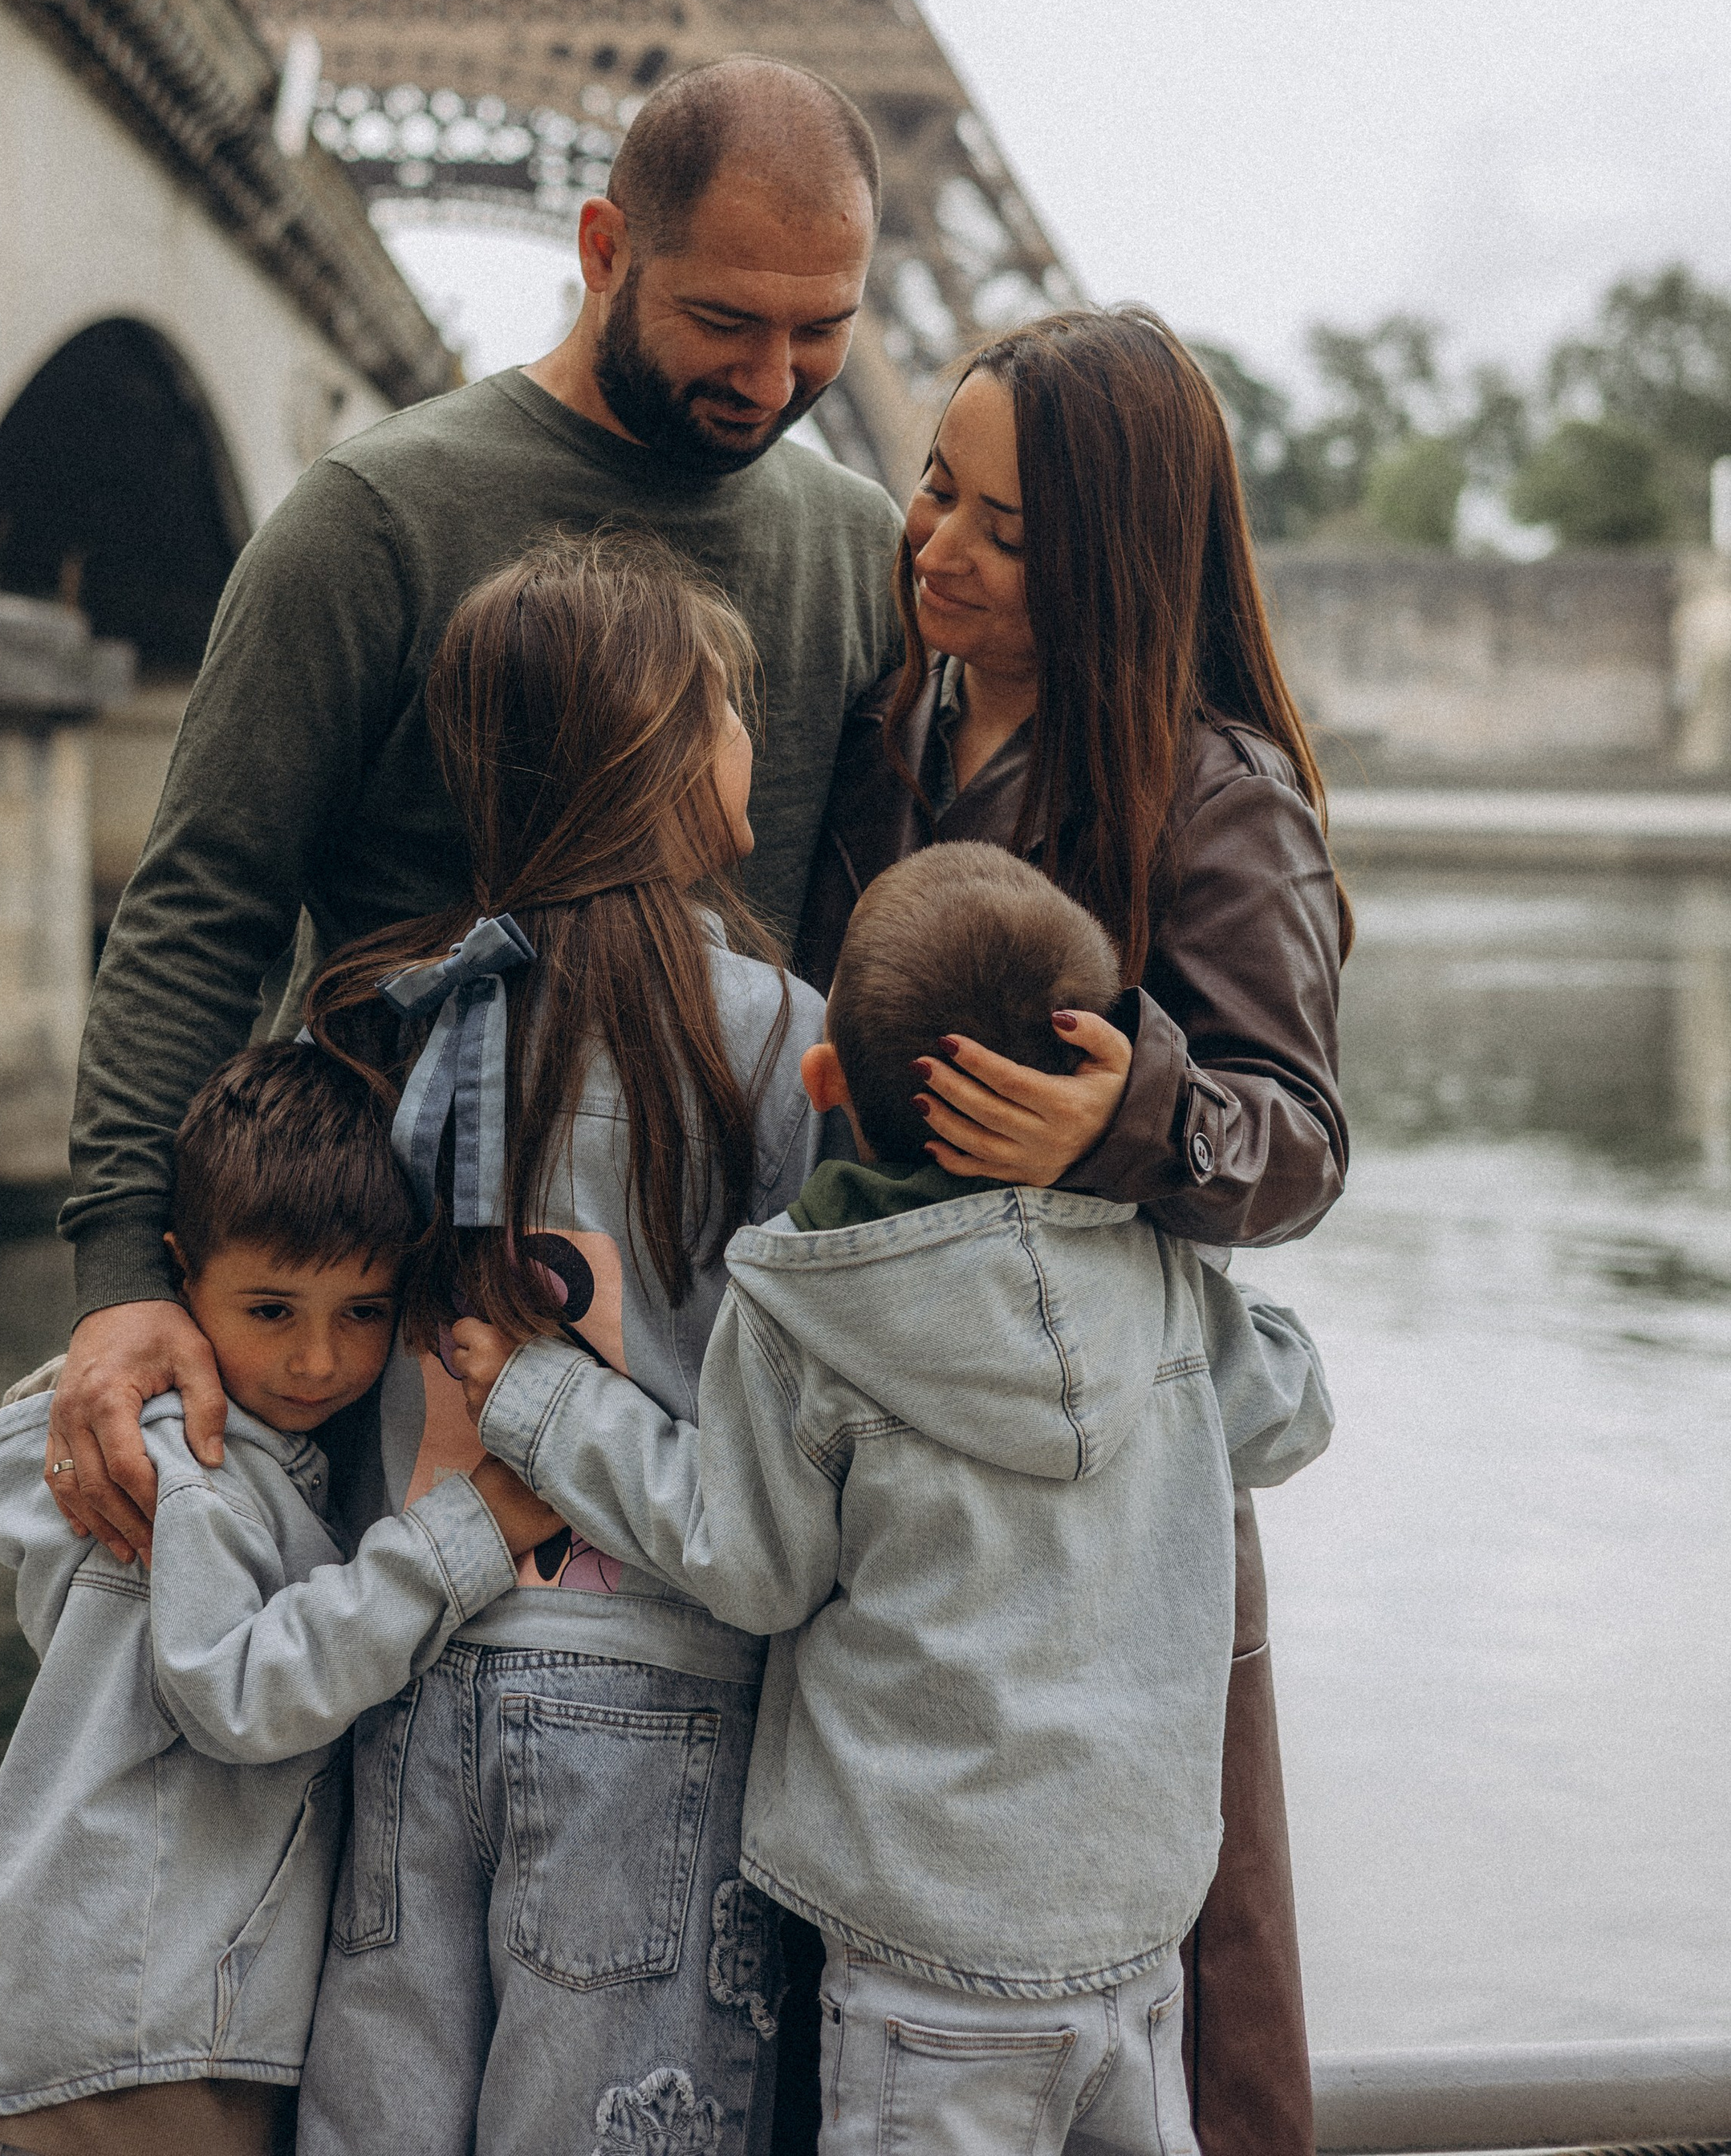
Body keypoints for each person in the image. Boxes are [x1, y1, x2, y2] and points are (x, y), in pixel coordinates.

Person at [47, 55, 900, 1570]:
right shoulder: (370, 520)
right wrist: (124, 1276)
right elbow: (203, 910)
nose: (773, 381)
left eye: (820, 330)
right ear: (603, 248)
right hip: (391, 1364)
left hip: (724, 1385)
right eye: (725, 321)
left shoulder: (861, 548)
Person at [451, 842, 1335, 2156]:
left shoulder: (807, 1308)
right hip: (1139, 1935)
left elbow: (752, 1565)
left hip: (925, 1954)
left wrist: (546, 1404)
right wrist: (1155, 1195)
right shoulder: (1161, 1274)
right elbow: (1292, 1411)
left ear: (824, 1084)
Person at [794, 305, 1351, 2156]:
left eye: (1007, 531)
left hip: (1117, 1484)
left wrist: (1119, 1121)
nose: (938, 545)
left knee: (1188, 1972)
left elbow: (1297, 1140)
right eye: (933, 489)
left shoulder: (1216, 794)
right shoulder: (891, 726)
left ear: (1114, 557)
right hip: (894, 1437)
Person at [291, 529, 845, 2156]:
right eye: (727, 707)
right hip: (659, 1694)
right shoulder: (780, 1040)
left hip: (408, 1669)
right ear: (658, 748)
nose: (750, 736)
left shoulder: (389, 1011)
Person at [0, 1041, 558, 2156]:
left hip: (109, 2015)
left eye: (363, 1313)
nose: (318, 1361)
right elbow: (238, 1693)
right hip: (142, 2033)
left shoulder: (228, 1462)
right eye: (272, 1310)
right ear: (179, 1279)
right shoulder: (195, 1476)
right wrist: (467, 1535)